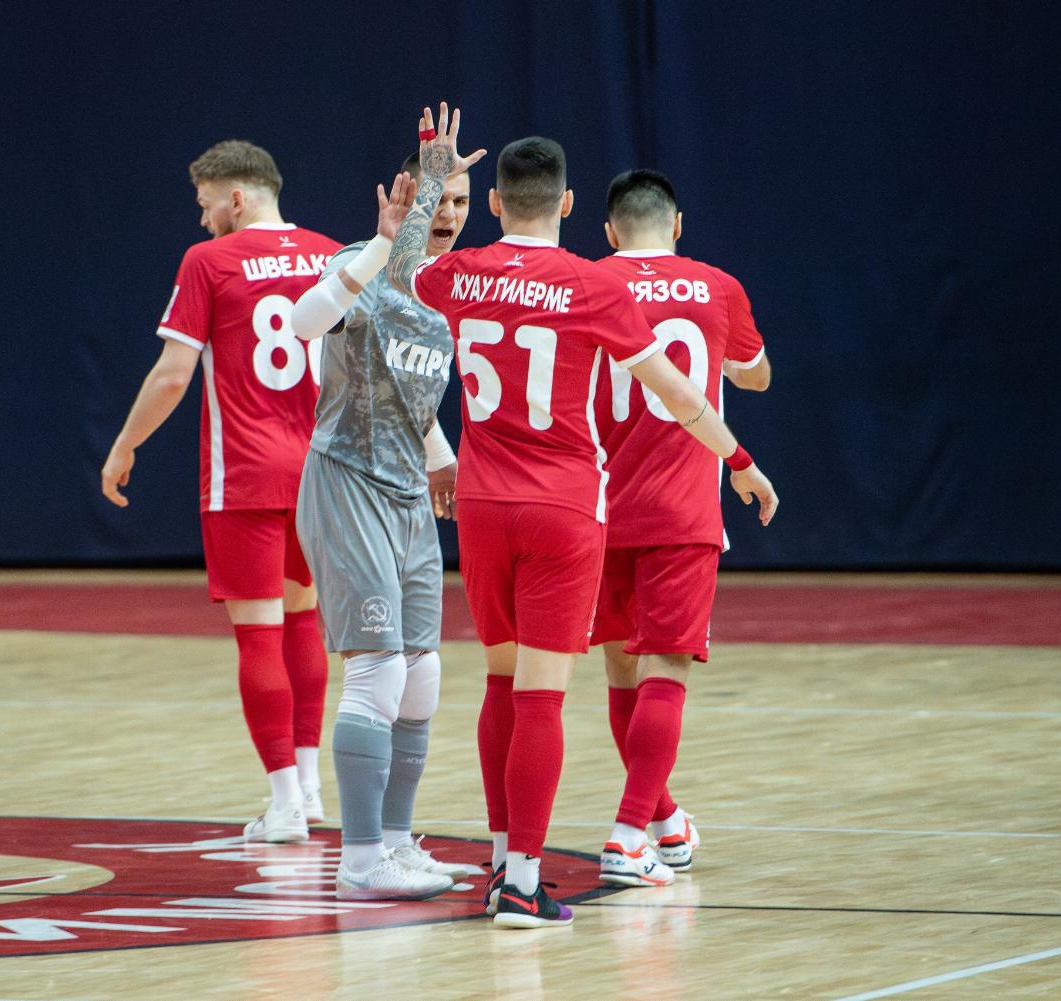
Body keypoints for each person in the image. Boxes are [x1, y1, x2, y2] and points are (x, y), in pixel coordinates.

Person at [385, 104, 779, 928]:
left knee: (499, 682)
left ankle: (502, 860)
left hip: (481, 503)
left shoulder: (463, 274)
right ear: (567, 204)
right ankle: (524, 883)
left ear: (494, 203)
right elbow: (679, 393)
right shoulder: (593, 283)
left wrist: (430, 183)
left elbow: (400, 270)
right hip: (564, 505)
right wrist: (739, 460)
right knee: (541, 698)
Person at [101, 140, 341, 844]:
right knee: (304, 620)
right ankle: (310, 788)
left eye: (206, 204)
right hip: (319, 471)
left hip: (245, 473)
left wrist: (125, 443)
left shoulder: (209, 261)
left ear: (237, 197)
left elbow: (174, 373)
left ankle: (284, 803)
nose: (202, 219)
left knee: (258, 632)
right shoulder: (332, 254)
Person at [288, 154, 474, 900]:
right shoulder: (360, 264)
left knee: (422, 676)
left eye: (460, 201)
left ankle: (397, 843)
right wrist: (379, 244)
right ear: (406, 198)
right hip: (346, 480)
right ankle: (361, 861)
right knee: (377, 669)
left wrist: (443, 460)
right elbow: (303, 322)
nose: (449, 213)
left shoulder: (447, 293)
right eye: (436, 198)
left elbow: (407, 398)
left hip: (408, 492)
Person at [590, 168, 772, 887]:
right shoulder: (717, 286)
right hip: (682, 509)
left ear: (610, 231)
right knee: (665, 671)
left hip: (598, 507)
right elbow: (756, 375)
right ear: (677, 224)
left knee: (620, 673)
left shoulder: (585, 281)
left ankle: (661, 821)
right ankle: (627, 834)